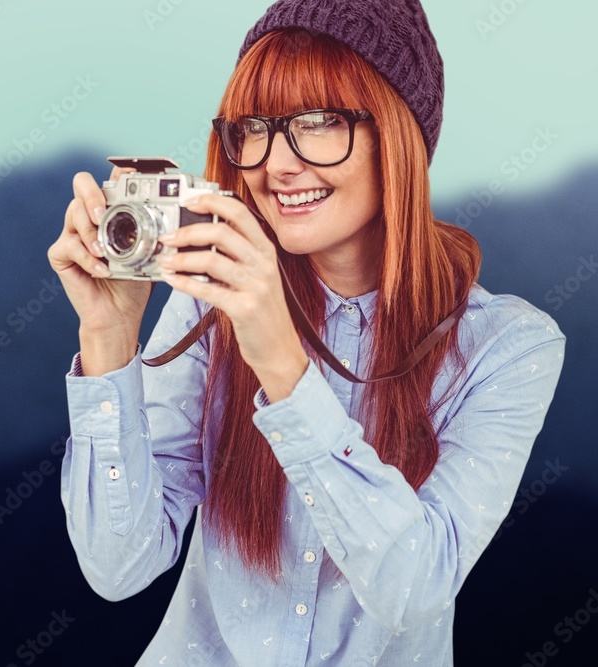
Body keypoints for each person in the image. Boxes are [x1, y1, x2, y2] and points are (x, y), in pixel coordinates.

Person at [46, 0, 566, 664]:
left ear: (399, 136)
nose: (276, 164)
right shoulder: (209, 304)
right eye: (255, 127)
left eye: (318, 124)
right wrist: (110, 336)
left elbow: (415, 585)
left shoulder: (509, 348)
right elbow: (118, 566)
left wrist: (284, 368)